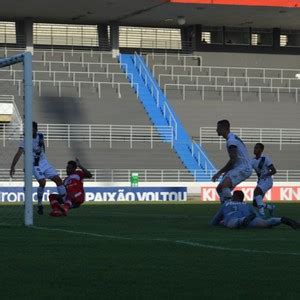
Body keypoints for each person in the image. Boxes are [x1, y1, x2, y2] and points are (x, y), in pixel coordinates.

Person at [10, 121, 66, 215]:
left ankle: (65, 202)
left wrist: (43, 155)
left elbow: (42, 145)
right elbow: (18, 153)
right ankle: (39, 205)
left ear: (36, 130)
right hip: (34, 165)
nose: (28, 131)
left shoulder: (40, 136)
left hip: (44, 163)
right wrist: (12, 167)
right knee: (43, 182)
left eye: (31, 129)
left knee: (58, 180)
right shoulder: (25, 141)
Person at [211, 190, 299, 230]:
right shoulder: (247, 205)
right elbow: (259, 217)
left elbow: (214, 221)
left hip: (233, 219)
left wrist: (222, 222)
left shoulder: (226, 204)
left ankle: (242, 221)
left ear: (234, 197)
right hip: (251, 220)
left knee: (232, 223)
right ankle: (282, 219)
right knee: (266, 223)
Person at [212, 120, 252, 203]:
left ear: (224, 128)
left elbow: (233, 160)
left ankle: (232, 209)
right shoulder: (232, 138)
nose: (216, 130)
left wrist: (220, 172)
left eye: (218, 128)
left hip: (244, 168)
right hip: (238, 167)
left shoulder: (231, 141)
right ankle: (227, 210)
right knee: (219, 189)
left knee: (225, 185)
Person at [251, 143, 276, 217]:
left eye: (257, 148)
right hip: (260, 181)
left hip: (267, 180)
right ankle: (270, 207)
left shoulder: (266, 158)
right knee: (255, 203)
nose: (255, 149)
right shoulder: (252, 160)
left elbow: (274, 170)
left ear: (261, 150)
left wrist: (266, 174)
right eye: (255, 148)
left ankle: (262, 214)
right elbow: (247, 169)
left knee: (256, 191)